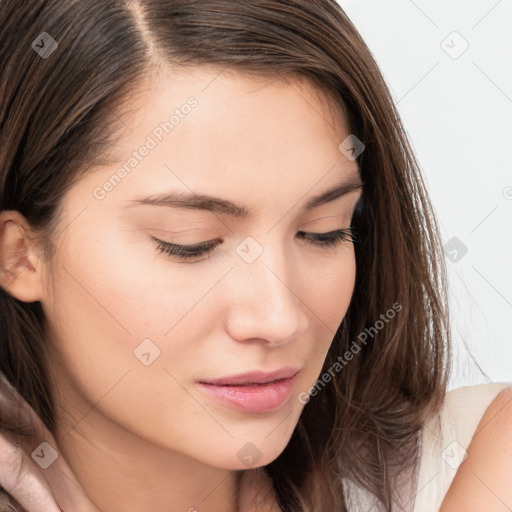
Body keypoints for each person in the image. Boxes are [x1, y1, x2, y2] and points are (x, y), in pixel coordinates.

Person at [0, 1, 510, 511]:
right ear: (19, 256)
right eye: (190, 243)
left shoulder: (470, 465)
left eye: (323, 233)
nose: (280, 318)